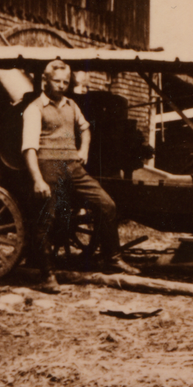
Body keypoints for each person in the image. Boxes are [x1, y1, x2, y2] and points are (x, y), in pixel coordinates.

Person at [22, 60, 139, 294]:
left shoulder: (72, 105)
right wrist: (38, 179)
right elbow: (29, 149)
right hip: (49, 166)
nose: (62, 85)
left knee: (107, 205)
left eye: (66, 81)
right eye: (57, 81)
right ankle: (47, 275)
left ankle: (112, 258)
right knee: (47, 219)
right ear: (45, 81)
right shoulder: (35, 109)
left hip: (73, 166)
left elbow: (85, 128)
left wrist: (83, 149)